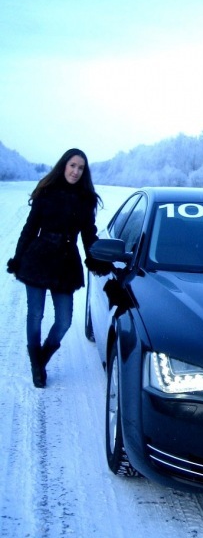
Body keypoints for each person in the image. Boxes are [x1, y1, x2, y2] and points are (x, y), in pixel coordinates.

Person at [7, 148, 109, 388]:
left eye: (80, 168)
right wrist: (18, 258)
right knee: (35, 314)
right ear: (64, 165)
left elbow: (89, 235)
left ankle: (41, 358)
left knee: (64, 320)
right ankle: (36, 366)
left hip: (65, 263)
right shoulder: (46, 192)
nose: (75, 171)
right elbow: (29, 229)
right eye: (72, 165)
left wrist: (97, 259)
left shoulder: (86, 199)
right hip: (38, 259)